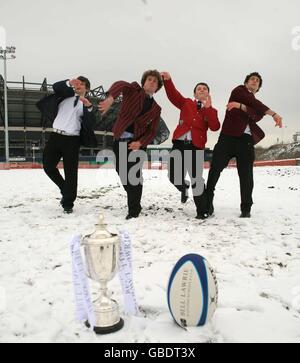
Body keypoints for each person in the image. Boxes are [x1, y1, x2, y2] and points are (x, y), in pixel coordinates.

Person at [206, 72, 283, 218]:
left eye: (257, 81)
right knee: (215, 169)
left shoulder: (253, 102)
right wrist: (273, 114)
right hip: (227, 138)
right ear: (246, 82)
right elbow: (255, 107)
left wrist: (240, 106)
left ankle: (246, 208)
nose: (255, 81)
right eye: (252, 79)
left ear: (259, 87)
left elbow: (258, 115)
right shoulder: (238, 91)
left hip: (246, 141)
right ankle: (207, 203)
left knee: (246, 175)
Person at [98, 70, 163, 219]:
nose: (152, 82)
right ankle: (134, 196)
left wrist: (140, 143)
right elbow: (120, 84)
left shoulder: (156, 109)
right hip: (119, 141)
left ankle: (134, 210)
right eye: (150, 79)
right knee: (122, 174)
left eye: (155, 82)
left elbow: (152, 131)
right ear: (144, 82)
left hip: (137, 145)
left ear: (157, 88)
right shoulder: (133, 90)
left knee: (134, 176)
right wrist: (110, 98)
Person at [161, 72, 220, 219]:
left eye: (204, 89)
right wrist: (168, 81)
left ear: (208, 94)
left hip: (196, 147)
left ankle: (202, 210)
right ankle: (183, 188)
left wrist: (209, 108)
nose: (202, 90)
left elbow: (214, 127)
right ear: (194, 93)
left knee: (196, 179)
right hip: (179, 144)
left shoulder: (211, 110)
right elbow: (173, 95)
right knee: (174, 176)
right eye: (199, 88)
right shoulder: (186, 103)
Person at [37, 77, 96, 214]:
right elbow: (56, 86)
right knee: (48, 166)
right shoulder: (65, 95)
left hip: (72, 140)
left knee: (71, 173)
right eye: (78, 83)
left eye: (82, 84)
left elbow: (91, 122)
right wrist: (69, 82)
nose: (79, 86)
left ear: (87, 89)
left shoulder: (86, 105)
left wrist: (88, 106)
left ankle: (68, 203)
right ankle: (65, 189)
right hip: (55, 136)